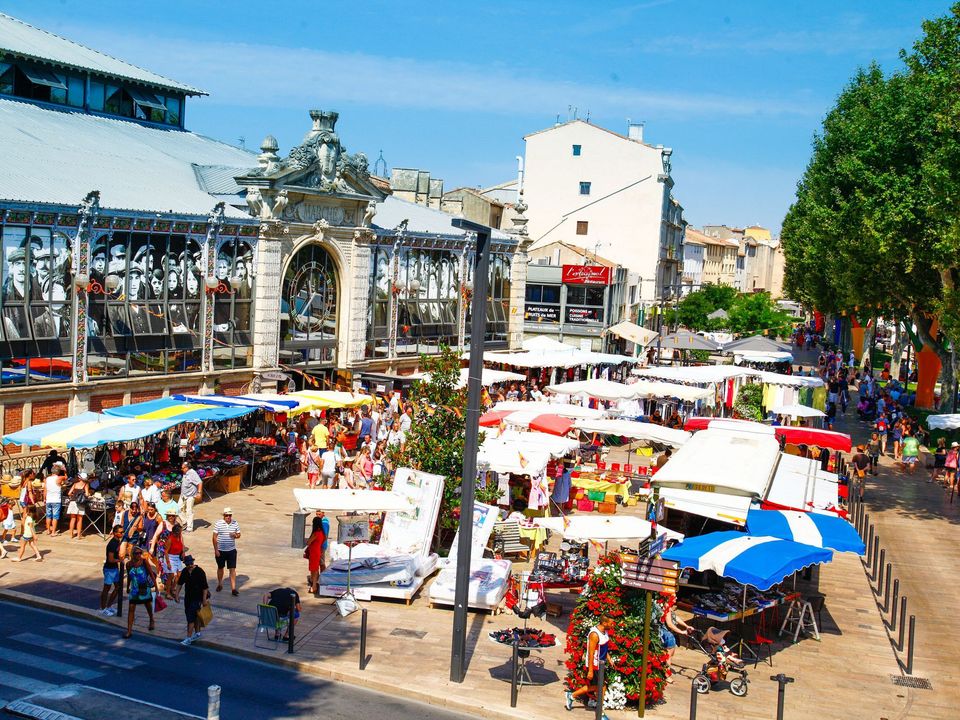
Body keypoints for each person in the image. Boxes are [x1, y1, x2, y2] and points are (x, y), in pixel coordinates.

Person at [566, 614, 613, 713]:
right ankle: (599, 711)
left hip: (601, 663)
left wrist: (609, 658)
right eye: (610, 623)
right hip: (595, 665)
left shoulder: (605, 631)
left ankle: (573, 696)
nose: (612, 625)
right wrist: (590, 671)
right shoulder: (594, 635)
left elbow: (603, 647)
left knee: (599, 687)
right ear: (604, 623)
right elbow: (591, 653)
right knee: (601, 687)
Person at [123, 546, 157, 638]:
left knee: (147, 605)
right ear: (132, 554)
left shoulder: (144, 562)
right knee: (131, 608)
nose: (138, 555)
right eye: (136, 553)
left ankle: (151, 619)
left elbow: (151, 574)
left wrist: (156, 587)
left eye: (139, 553)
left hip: (144, 588)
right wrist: (128, 587)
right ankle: (129, 630)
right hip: (134, 589)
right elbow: (129, 576)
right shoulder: (129, 564)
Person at [178, 555, 210, 645]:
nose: (190, 565)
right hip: (188, 597)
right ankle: (198, 633)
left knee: (190, 618)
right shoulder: (185, 572)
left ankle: (188, 638)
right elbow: (180, 583)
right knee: (195, 616)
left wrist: (204, 599)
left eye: (191, 563)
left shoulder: (200, 572)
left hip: (197, 598)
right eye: (188, 564)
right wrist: (176, 594)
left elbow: (205, 587)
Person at [662, 597, 694, 682]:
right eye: (674, 596)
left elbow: (675, 618)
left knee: (668, 655)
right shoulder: (666, 607)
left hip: (668, 633)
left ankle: (664, 671)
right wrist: (681, 632)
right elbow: (670, 624)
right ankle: (666, 675)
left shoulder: (669, 607)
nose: (676, 598)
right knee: (669, 656)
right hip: (667, 634)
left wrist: (686, 626)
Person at [213, 507, 241, 596]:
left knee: (232, 569)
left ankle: (233, 588)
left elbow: (239, 534)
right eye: (226, 515)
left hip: (231, 550)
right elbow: (214, 537)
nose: (228, 517)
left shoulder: (235, 523)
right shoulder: (218, 523)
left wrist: (235, 535)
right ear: (224, 516)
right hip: (221, 550)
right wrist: (216, 550)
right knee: (220, 568)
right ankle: (220, 583)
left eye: (229, 515)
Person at [99, 525, 124, 616]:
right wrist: (120, 560)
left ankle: (109, 606)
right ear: (115, 533)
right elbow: (110, 559)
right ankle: (102, 608)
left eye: (122, 532)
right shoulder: (112, 544)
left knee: (117, 587)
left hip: (115, 568)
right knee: (106, 588)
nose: (122, 534)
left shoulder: (118, 541)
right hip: (109, 569)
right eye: (120, 532)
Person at [305, 514, 327, 594]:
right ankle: (314, 584)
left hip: (314, 553)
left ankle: (314, 586)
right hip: (318, 551)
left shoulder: (316, 533)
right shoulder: (322, 533)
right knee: (315, 569)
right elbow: (324, 540)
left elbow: (308, 542)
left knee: (314, 570)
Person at [65, 472, 90, 540]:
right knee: (80, 519)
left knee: (72, 519)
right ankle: (78, 535)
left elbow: (69, 493)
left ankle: (71, 534)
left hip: (73, 502)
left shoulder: (75, 484)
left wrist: (74, 495)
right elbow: (87, 494)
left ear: (79, 478)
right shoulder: (85, 485)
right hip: (80, 503)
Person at [179, 461, 202, 532]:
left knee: (189, 511)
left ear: (187, 468)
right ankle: (185, 522)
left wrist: (199, 492)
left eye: (183, 468)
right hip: (183, 495)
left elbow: (200, 482)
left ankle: (189, 527)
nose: (181, 469)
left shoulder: (192, 473)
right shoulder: (185, 473)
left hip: (191, 496)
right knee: (178, 509)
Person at [43, 469, 63, 537]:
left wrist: (44, 498)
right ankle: (53, 532)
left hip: (49, 499)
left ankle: (48, 530)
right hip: (56, 500)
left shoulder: (47, 479)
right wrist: (65, 471)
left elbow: (45, 490)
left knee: (48, 516)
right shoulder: (59, 478)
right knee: (55, 516)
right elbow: (66, 477)